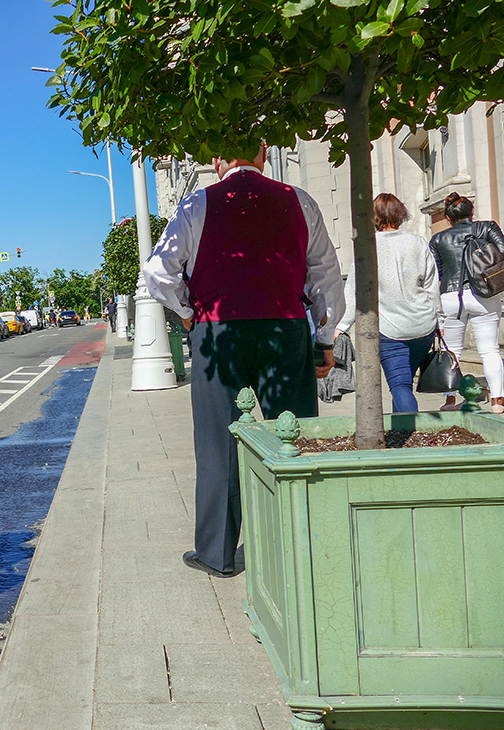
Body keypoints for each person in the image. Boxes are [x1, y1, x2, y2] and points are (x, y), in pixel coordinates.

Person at [142, 143, 344, 578]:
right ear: (264, 154)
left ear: (217, 161)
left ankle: (216, 552)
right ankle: (299, 537)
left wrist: (186, 311)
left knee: (218, 439)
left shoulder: (197, 203)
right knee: (295, 429)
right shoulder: (299, 201)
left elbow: (158, 270)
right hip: (284, 326)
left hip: (219, 330)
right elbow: (325, 273)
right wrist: (324, 337)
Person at [334, 193, 439, 413]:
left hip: (391, 328)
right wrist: (440, 320)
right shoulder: (417, 242)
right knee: (404, 383)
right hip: (423, 325)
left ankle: (412, 437)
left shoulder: (367, 245)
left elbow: (354, 290)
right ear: (401, 214)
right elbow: (431, 284)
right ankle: (401, 431)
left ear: (374, 217)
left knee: (399, 386)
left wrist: (341, 326)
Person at [428, 193, 504, 413]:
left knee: (452, 350)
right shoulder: (486, 228)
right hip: (484, 293)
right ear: (472, 212)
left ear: (449, 218)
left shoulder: (438, 239)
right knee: (489, 349)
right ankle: (497, 401)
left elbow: (436, 274)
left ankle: (450, 400)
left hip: (450, 297)